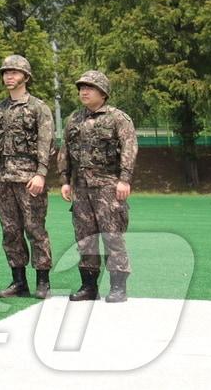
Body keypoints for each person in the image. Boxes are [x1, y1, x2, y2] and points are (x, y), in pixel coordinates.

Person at [58, 70, 138, 303]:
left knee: (113, 236)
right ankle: (89, 286)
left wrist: (125, 179)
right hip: (81, 189)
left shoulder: (117, 118)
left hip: (108, 186)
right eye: (82, 87)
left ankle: (118, 286)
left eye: (89, 87)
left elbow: (129, 148)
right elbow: (65, 151)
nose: (84, 91)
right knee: (85, 238)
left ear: (103, 93)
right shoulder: (74, 119)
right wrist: (64, 180)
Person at [0, 54, 55, 299]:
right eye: (5, 72)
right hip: (2, 179)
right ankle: (19, 281)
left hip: (29, 179)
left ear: (25, 76)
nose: (8, 76)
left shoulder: (38, 108)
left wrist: (41, 174)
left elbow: (46, 142)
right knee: (10, 231)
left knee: (35, 229)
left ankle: (43, 281)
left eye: (13, 72)